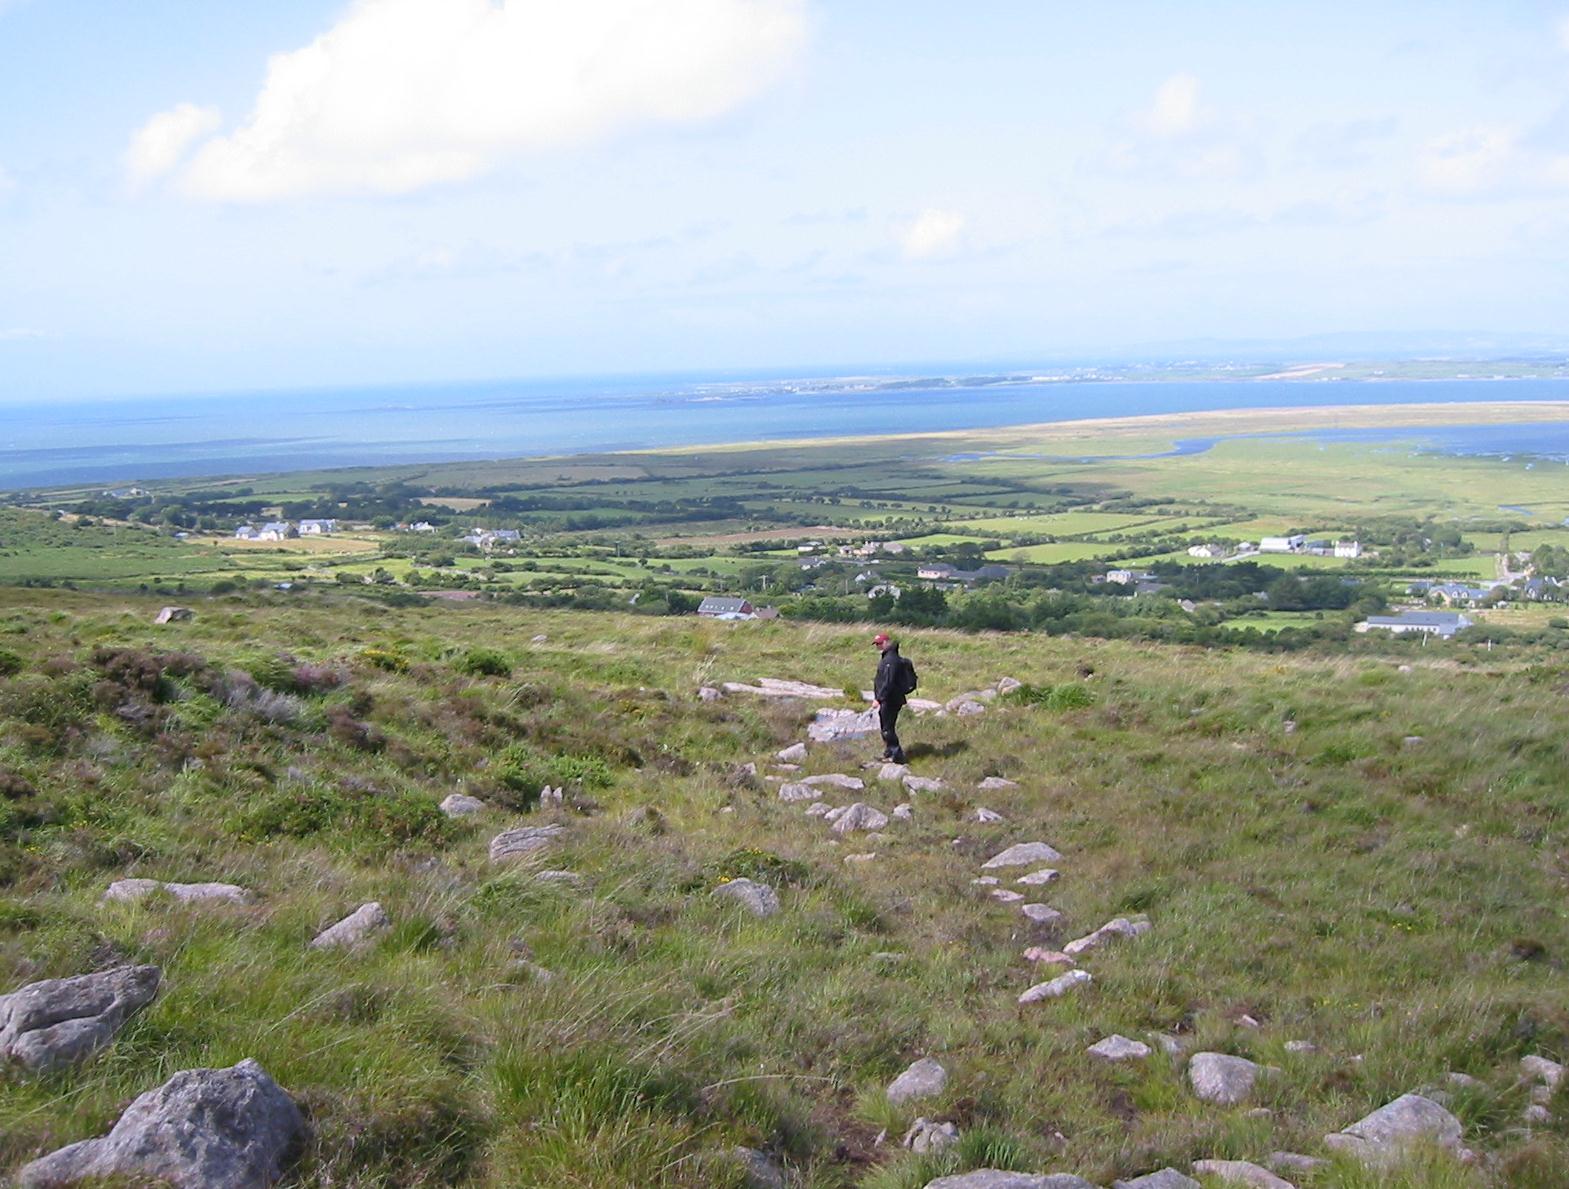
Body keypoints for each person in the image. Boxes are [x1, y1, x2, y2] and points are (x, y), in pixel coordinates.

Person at [872, 631, 913, 764]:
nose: (877, 646)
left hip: (891, 699)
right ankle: (889, 752)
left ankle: (897, 756)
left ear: (886, 642)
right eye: (876, 644)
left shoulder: (891, 660)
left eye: (879, 644)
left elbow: (888, 682)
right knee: (886, 726)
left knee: (887, 729)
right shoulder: (888, 657)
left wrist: (879, 698)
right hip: (890, 699)